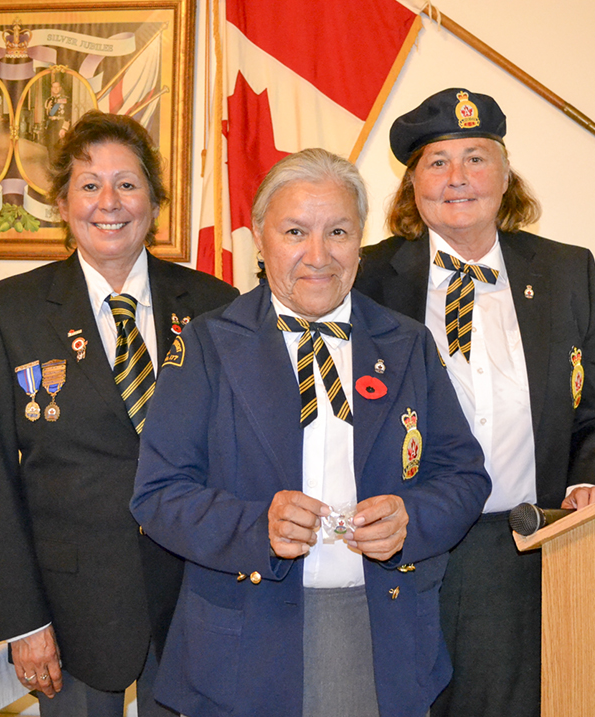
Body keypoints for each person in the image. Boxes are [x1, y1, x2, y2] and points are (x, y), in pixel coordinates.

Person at [130, 148, 491, 717]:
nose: (318, 255)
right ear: (259, 237)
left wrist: (410, 520)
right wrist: (256, 526)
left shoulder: (407, 343)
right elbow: (157, 495)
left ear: (360, 240)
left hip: (383, 635)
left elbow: (465, 476)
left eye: (339, 232)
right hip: (244, 643)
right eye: (296, 231)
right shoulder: (206, 344)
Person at [0, 111, 238, 716]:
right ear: (61, 203)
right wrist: (20, 619)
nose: (109, 202)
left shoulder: (217, 306)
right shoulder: (6, 312)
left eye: (128, 184)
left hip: (197, 600)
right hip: (71, 608)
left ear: (154, 203)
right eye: (89, 184)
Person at [354, 88, 595, 717]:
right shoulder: (365, 278)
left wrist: (592, 480)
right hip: (400, 550)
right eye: (437, 161)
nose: (458, 179)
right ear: (412, 185)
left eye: (476, 158)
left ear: (506, 176)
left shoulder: (566, 272)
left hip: (520, 550)